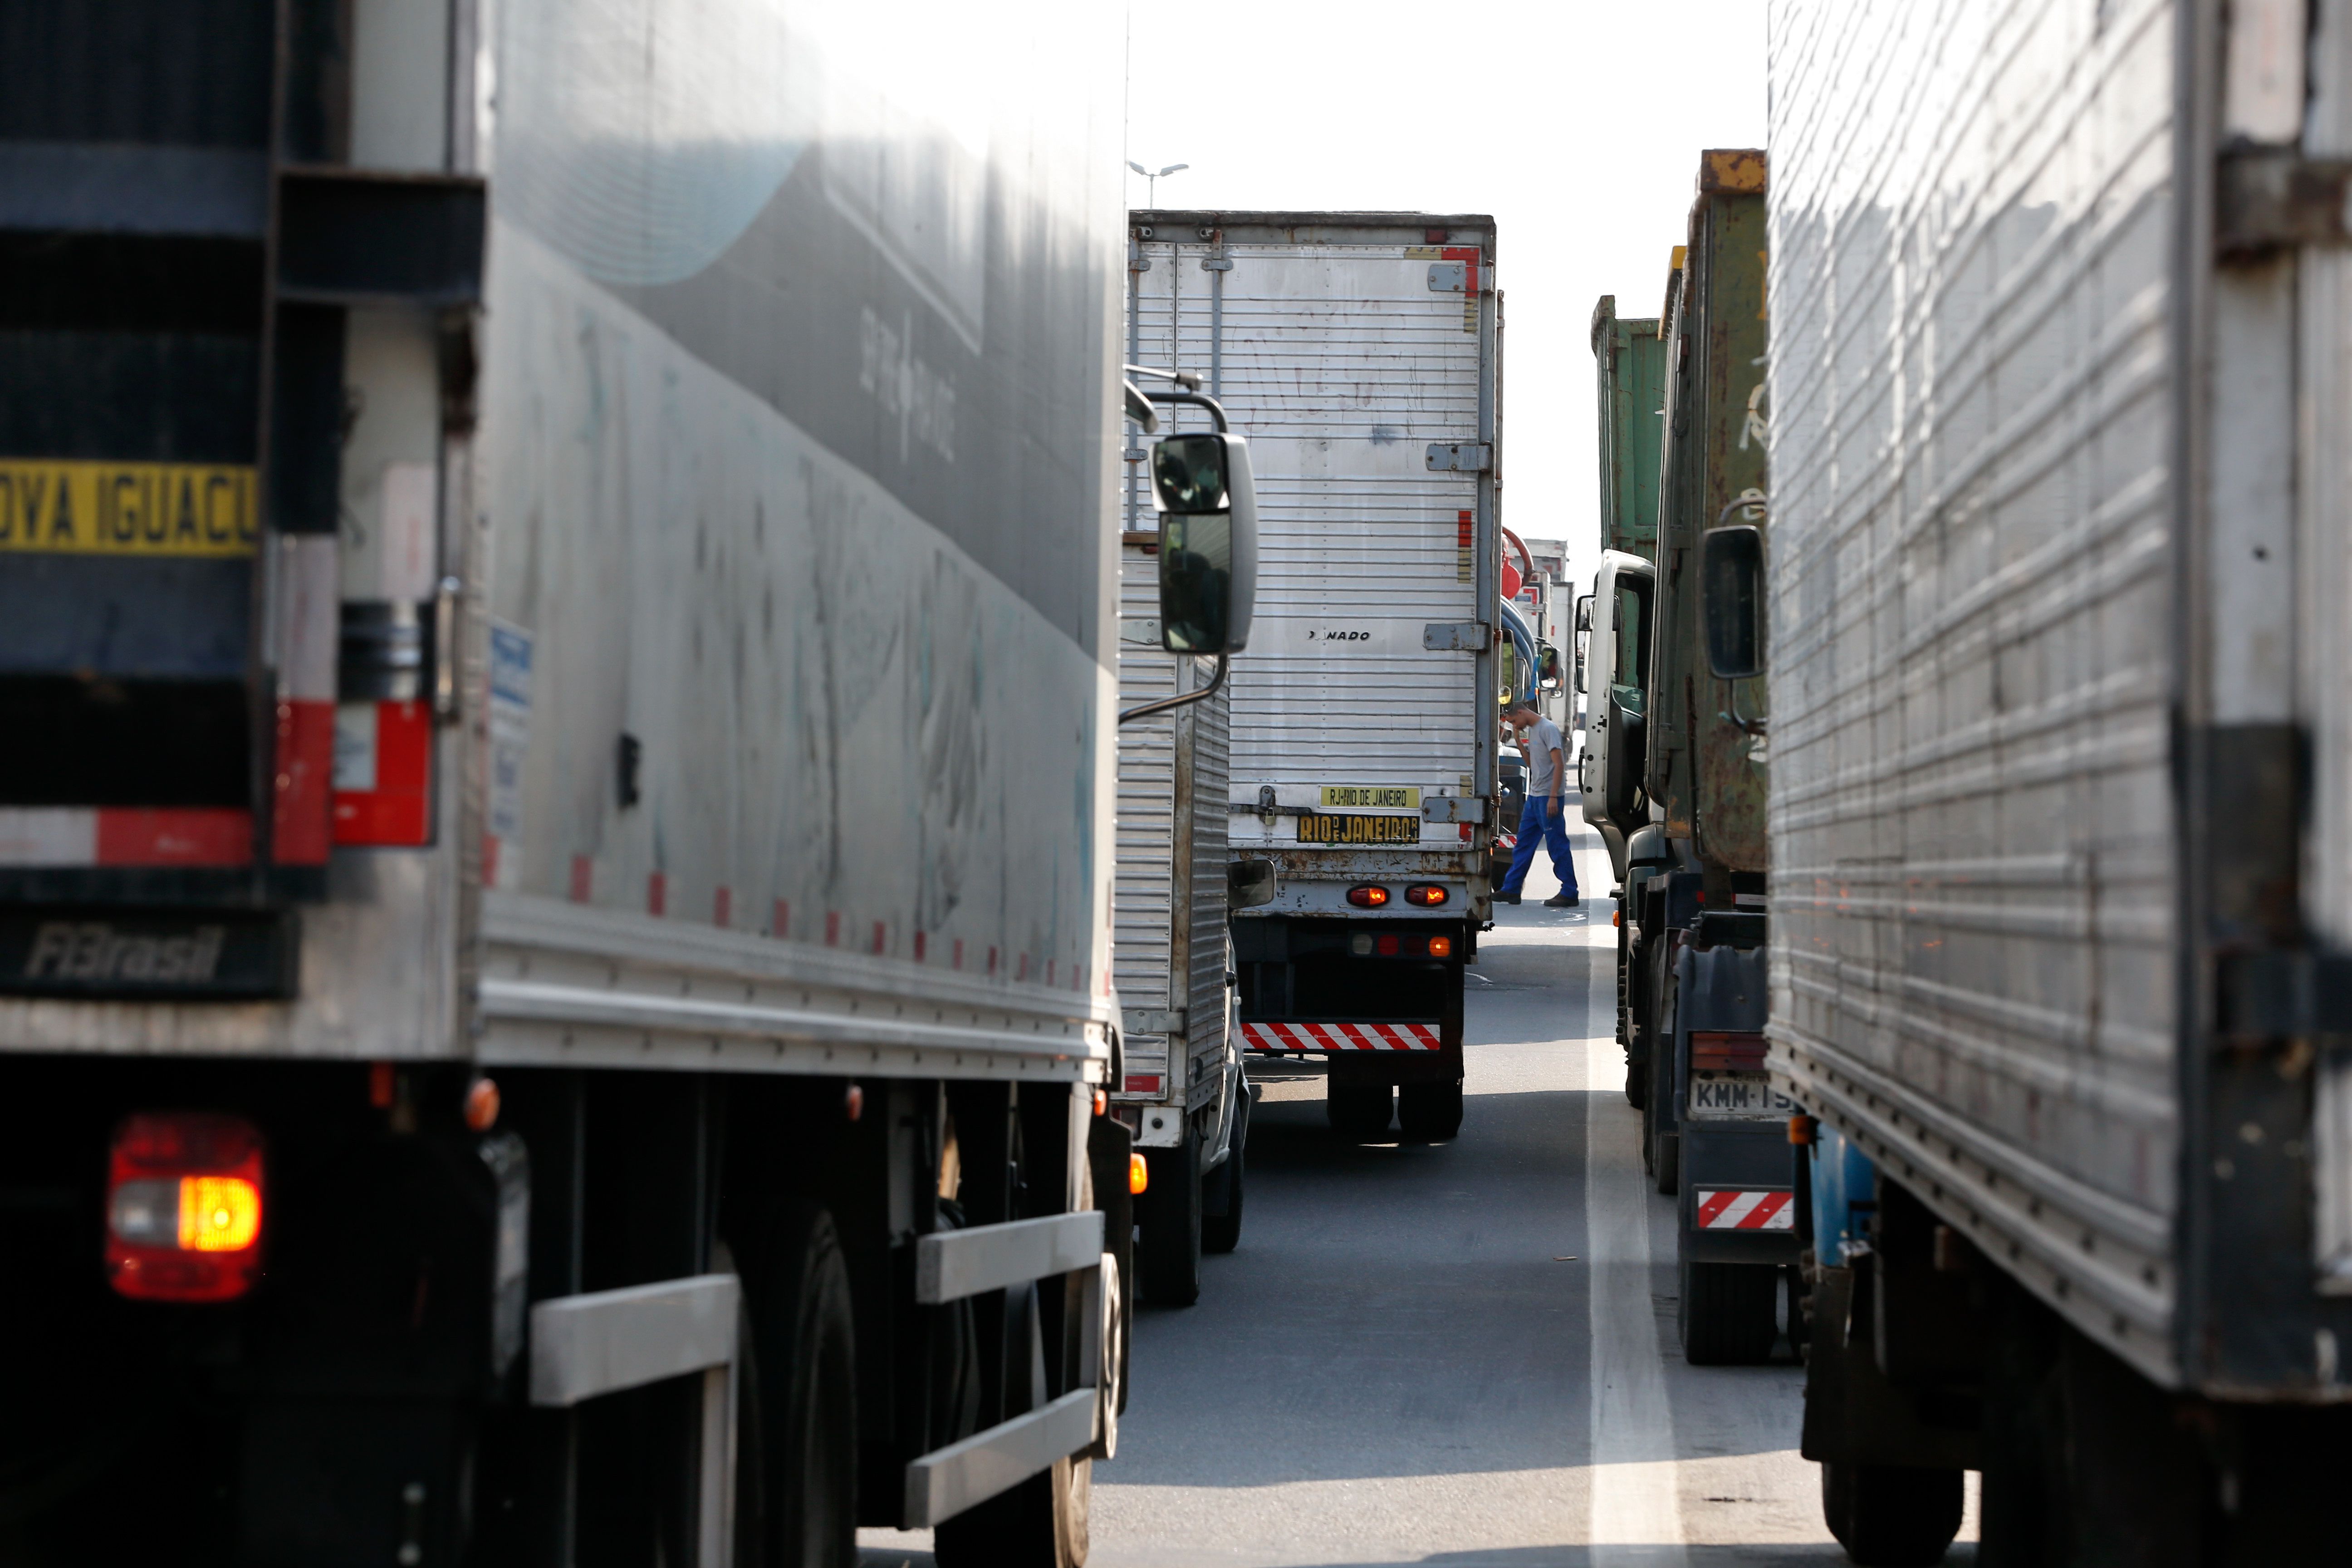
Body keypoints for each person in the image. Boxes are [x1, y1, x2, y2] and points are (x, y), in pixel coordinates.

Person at [1496, 698, 1579, 907]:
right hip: (1535, 798)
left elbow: (1559, 765)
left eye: (1515, 721)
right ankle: (1512, 889)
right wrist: (1518, 738)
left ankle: (1570, 892)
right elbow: (1533, 765)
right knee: (1523, 845)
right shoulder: (1531, 730)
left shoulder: (1547, 729)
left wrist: (1553, 797)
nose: (1515, 725)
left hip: (1548, 798)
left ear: (1523, 712)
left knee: (1557, 845)